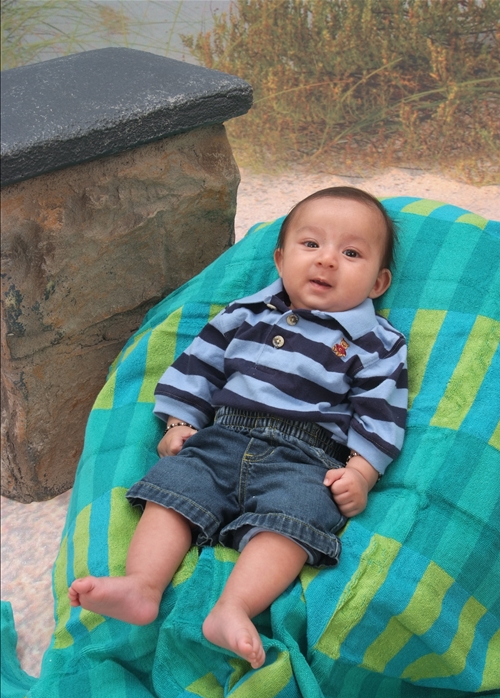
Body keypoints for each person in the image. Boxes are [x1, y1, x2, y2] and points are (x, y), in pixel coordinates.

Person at [69, 186, 408, 670]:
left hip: (305, 461)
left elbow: (382, 412)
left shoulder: (376, 343)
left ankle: (233, 608)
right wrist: (180, 422)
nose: (327, 260)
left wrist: (361, 473)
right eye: (311, 244)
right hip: (221, 438)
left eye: (351, 253)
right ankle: (142, 586)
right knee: (174, 487)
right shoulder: (244, 314)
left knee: (296, 519)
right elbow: (198, 366)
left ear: (378, 283)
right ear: (280, 259)